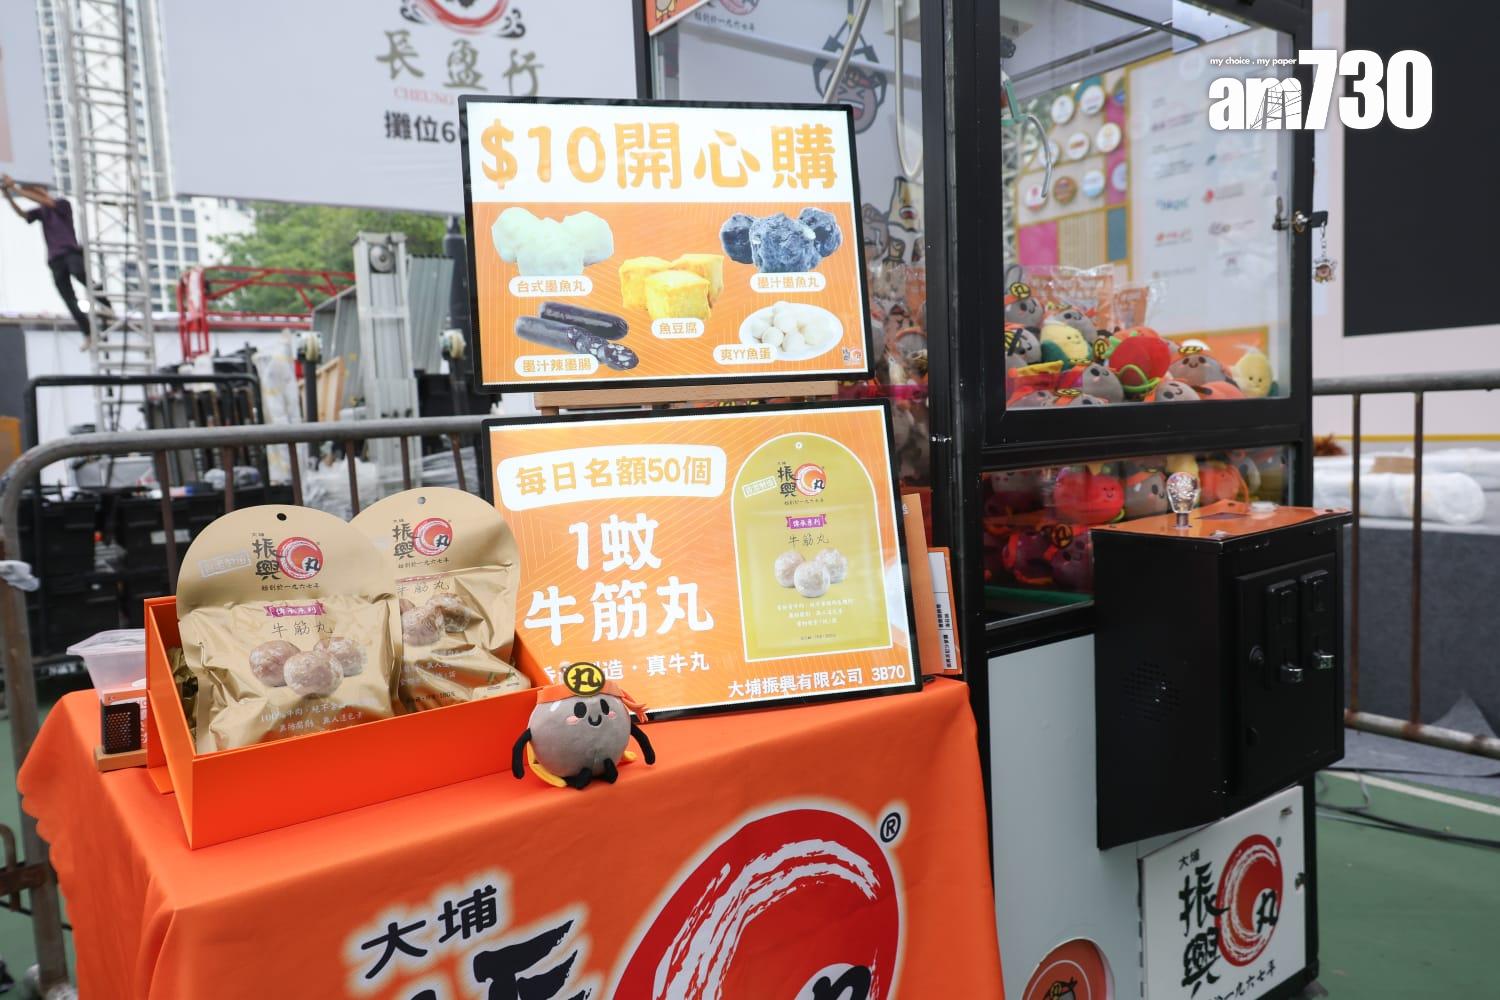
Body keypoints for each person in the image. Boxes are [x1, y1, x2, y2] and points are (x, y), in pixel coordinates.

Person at [2, 174, 112, 347]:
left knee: (80, 275)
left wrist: (15, 188)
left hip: (70, 252)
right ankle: (88, 333)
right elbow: (22, 214)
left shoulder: (61, 204)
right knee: (68, 297)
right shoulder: (41, 211)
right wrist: (8, 194)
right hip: (55, 259)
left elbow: (46, 201)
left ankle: (106, 304)